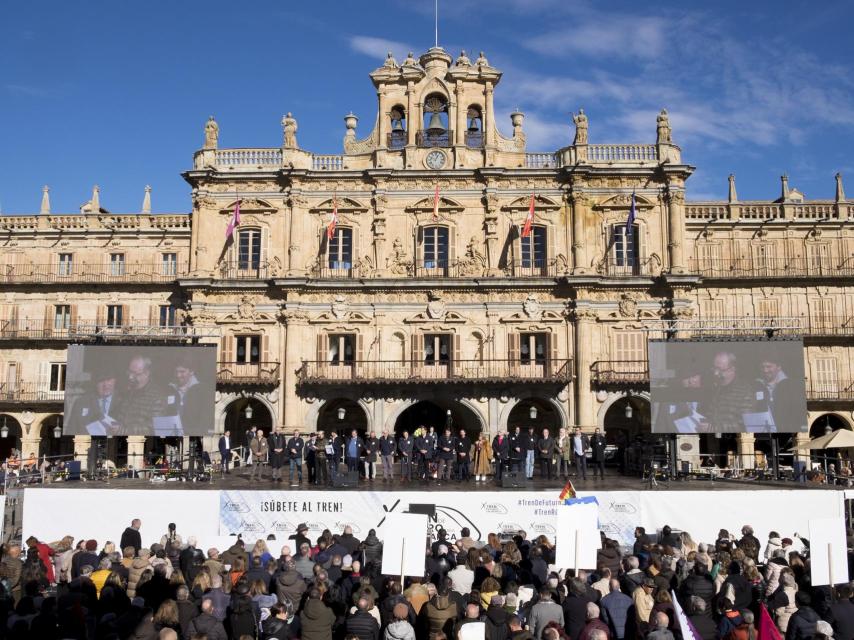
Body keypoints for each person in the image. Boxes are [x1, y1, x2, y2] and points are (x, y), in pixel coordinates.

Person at [699, 352, 755, 433]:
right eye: (714, 368)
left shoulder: (745, 391)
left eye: (720, 370)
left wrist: (714, 429)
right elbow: (710, 415)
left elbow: (746, 425)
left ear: (733, 369)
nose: (715, 373)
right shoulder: (716, 389)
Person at [113, 354, 167, 436]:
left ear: (147, 373)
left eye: (135, 373)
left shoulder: (157, 397)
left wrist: (124, 431)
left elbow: (153, 428)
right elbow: (121, 417)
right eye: (129, 372)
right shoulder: (129, 392)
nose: (130, 377)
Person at [68, 366, 123, 436]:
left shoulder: (123, 402)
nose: (105, 385)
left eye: (109, 379)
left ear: (115, 380)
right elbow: (71, 431)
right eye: (101, 380)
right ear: (95, 383)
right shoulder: (81, 403)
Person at [169, 359, 206, 435]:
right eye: (176, 372)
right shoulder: (170, 388)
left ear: (192, 371)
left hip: (192, 433)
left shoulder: (202, 390)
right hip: (171, 432)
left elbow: (204, 418)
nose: (178, 375)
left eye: (182, 372)